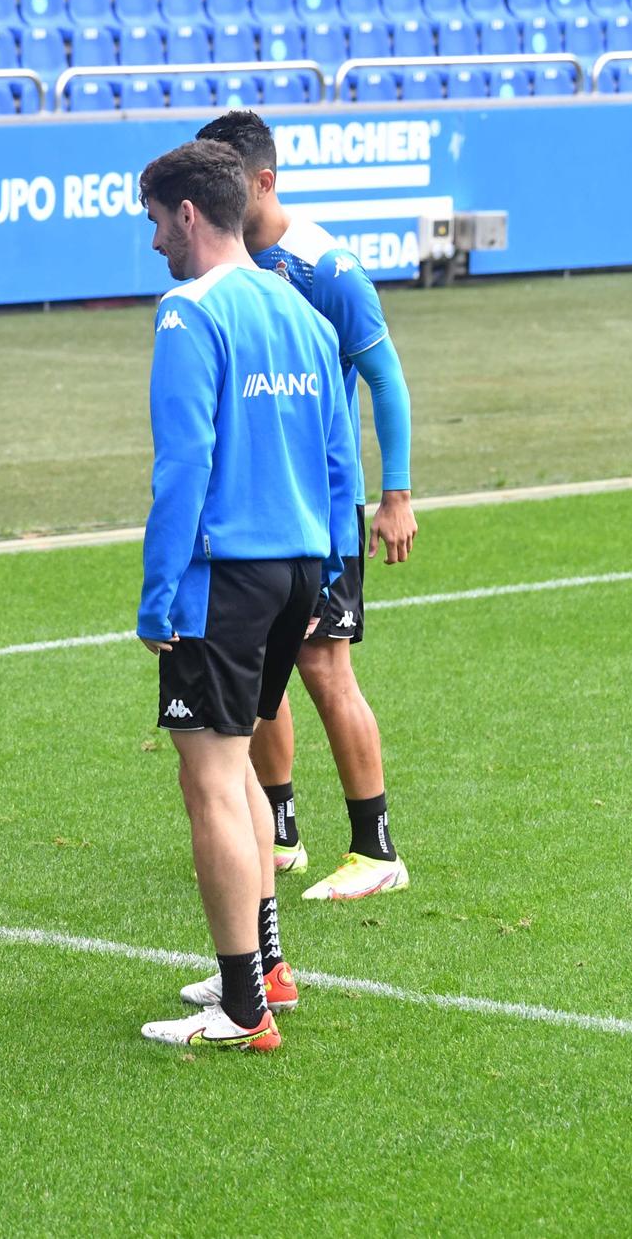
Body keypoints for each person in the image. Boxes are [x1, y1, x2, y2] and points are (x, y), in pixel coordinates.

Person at [134, 141, 360, 1052]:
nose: (152, 240)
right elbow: (341, 456)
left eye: (154, 219)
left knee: (212, 782)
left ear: (189, 213)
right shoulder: (299, 311)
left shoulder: (188, 313)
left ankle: (240, 1007)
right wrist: (333, 573)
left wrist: (158, 595)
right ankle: (264, 968)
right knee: (248, 776)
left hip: (222, 574)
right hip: (299, 565)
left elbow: (184, 463)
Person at [195, 111, 416, 902]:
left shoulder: (324, 266)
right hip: (253, 506)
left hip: (319, 505)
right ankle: (279, 828)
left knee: (325, 666)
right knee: (258, 666)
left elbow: (384, 377)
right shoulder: (219, 260)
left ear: (262, 181)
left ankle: (375, 845)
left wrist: (395, 493)